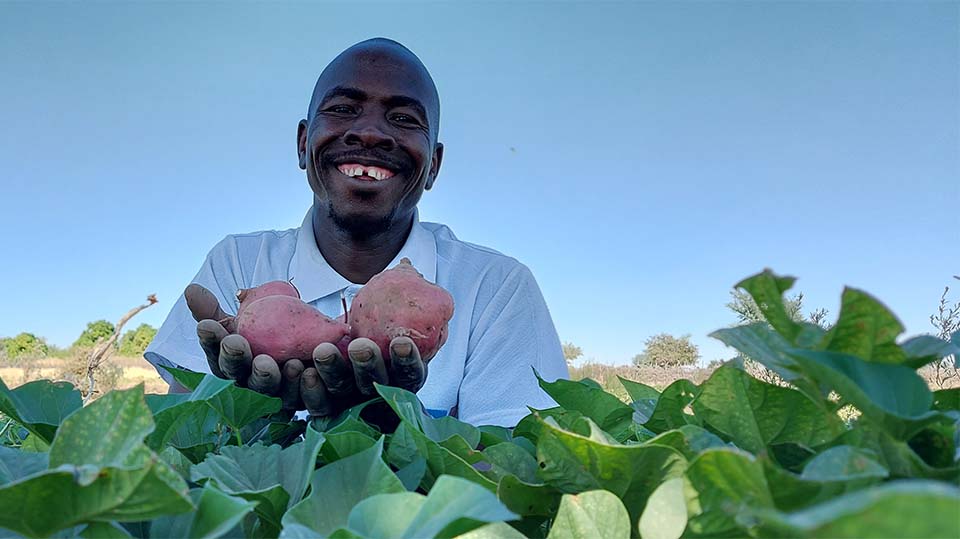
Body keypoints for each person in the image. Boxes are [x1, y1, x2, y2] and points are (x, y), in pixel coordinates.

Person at [144, 38, 568, 427]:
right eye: (344, 109)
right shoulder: (237, 261)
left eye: (403, 118)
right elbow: (181, 443)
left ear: (433, 166)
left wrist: (401, 426)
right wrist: (246, 410)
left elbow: (515, 467)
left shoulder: (496, 286)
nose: (369, 132)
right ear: (303, 143)